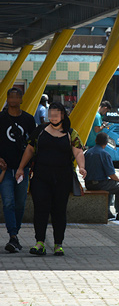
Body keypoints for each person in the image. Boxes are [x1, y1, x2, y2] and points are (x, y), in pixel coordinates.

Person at [16, 102, 86, 257]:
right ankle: (39, 243)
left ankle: (58, 244)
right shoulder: (39, 131)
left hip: (62, 178)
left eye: (56, 114)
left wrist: (82, 167)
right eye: (51, 114)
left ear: (62, 115)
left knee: (59, 211)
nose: (53, 117)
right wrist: (21, 167)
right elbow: (29, 149)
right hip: (41, 177)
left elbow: (79, 151)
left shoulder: (70, 133)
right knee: (41, 209)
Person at [0, 88, 37, 253]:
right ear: (7, 99)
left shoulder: (28, 120)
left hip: (22, 169)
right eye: (10, 96)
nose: (13, 99)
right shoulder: (1, 118)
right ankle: (13, 236)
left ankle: (15, 234)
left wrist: (29, 165)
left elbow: (33, 144)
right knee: (8, 202)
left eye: (16, 97)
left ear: (21, 99)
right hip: (5, 168)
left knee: (20, 203)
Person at [84, 132, 119, 221]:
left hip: (88, 183)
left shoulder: (88, 152)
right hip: (99, 184)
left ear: (95, 141)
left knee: (110, 185)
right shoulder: (105, 154)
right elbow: (111, 174)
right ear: (106, 143)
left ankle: (108, 212)